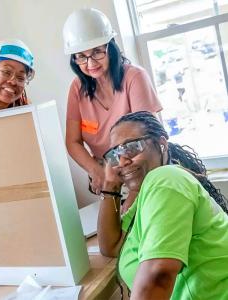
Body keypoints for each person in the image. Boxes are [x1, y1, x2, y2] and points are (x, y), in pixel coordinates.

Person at [98, 111, 228, 299]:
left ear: (161, 144)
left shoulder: (166, 180)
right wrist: (110, 186)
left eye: (132, 147)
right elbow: (112, 246)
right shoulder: (146, 195)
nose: (123, 161)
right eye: (116, 154)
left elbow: (158, 277)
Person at [62, 8, 162, 199]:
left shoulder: (134, 77)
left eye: (97, 52)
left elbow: (150, 139)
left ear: (111, 48)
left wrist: (134, 191)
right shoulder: (77, 88)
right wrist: (96, 171)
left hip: (143, 173)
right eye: (81, 56)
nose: (90, 63)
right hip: (109, 178)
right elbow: (72, 142)